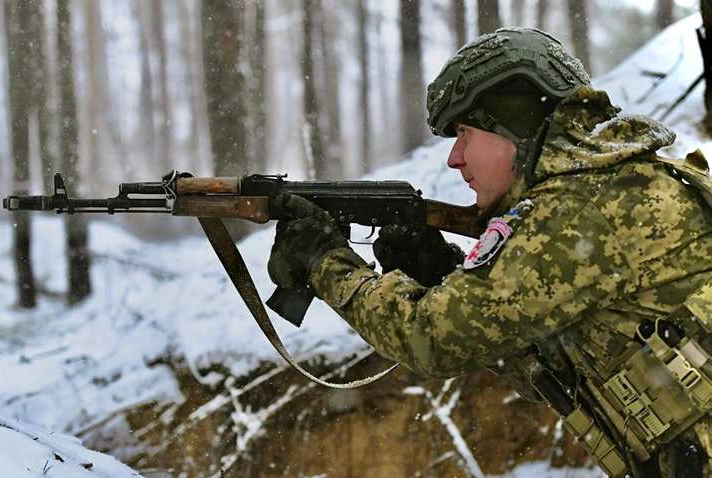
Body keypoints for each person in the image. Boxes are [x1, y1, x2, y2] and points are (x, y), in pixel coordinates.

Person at [267, 27, 712, 478]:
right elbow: (542, 366)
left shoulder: (581, 211)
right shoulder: (606, 190)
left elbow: (432, 341)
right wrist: (438, 271)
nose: (454, 158)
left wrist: (324, 262)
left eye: (464, 133)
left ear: (513, 125)